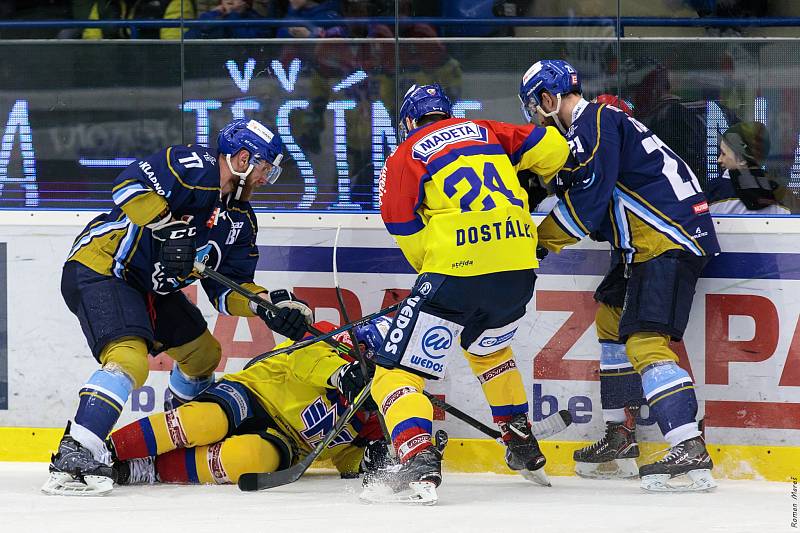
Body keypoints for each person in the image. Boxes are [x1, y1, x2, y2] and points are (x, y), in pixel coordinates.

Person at [43, 118, 314, 496]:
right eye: (265, 169)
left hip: (150, 288)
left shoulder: (240, 221)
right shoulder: (196, 167)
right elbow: (127, 186)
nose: (266, 180)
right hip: (105, 267)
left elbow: (227, 292)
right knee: (130, 358)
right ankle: (76, 452)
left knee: (204, 354)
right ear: (240, 159)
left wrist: (264, 305)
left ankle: (179, 432)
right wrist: (168, 224)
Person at [363, 83, 570, 504]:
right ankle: (520, 439)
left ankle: (417, 458)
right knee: (489, 351)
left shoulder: (405, 154)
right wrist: (529, 177)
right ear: (447, 112)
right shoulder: (486, 129)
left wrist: (433, 265)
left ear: (408, 122)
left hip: (454, 272)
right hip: (517, 269)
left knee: (395, 373)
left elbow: (400, 222)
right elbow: (555, 149)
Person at [520, 59, 719, 492]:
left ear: (550, 99)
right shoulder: (598, 125)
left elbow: (589, 198)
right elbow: (595, 192)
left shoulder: (594, 119)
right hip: (645, 244)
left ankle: (689, 449)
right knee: (611, 319)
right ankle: (620, 435)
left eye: (536, 109)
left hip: (666, 241)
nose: (537, 118)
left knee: (645, 341)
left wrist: (536, 241)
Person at [109, 321, 386, 486]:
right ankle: (105, 452)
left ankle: (146, 470)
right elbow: (303, 360)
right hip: (253, 393)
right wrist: (341, 374)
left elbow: (344, 455)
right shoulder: (332, 336)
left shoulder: (380, 405)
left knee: (248, 458)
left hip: (285, 441)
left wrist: (373, 460)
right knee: (202, 421)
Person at [708, 121, 790, 215]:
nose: (719, 160)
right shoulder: (781, 193)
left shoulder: (716, 191)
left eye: (723, 153)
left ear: (742, 159)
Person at [186, 0, 269, 39]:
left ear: (246, 3)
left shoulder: (256, 20)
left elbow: (244, 41)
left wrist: (234, 14)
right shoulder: (210, 15)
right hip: (212, 63)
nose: (230, 1)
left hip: (241, 67)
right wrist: (215, 15)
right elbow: (188, 37)